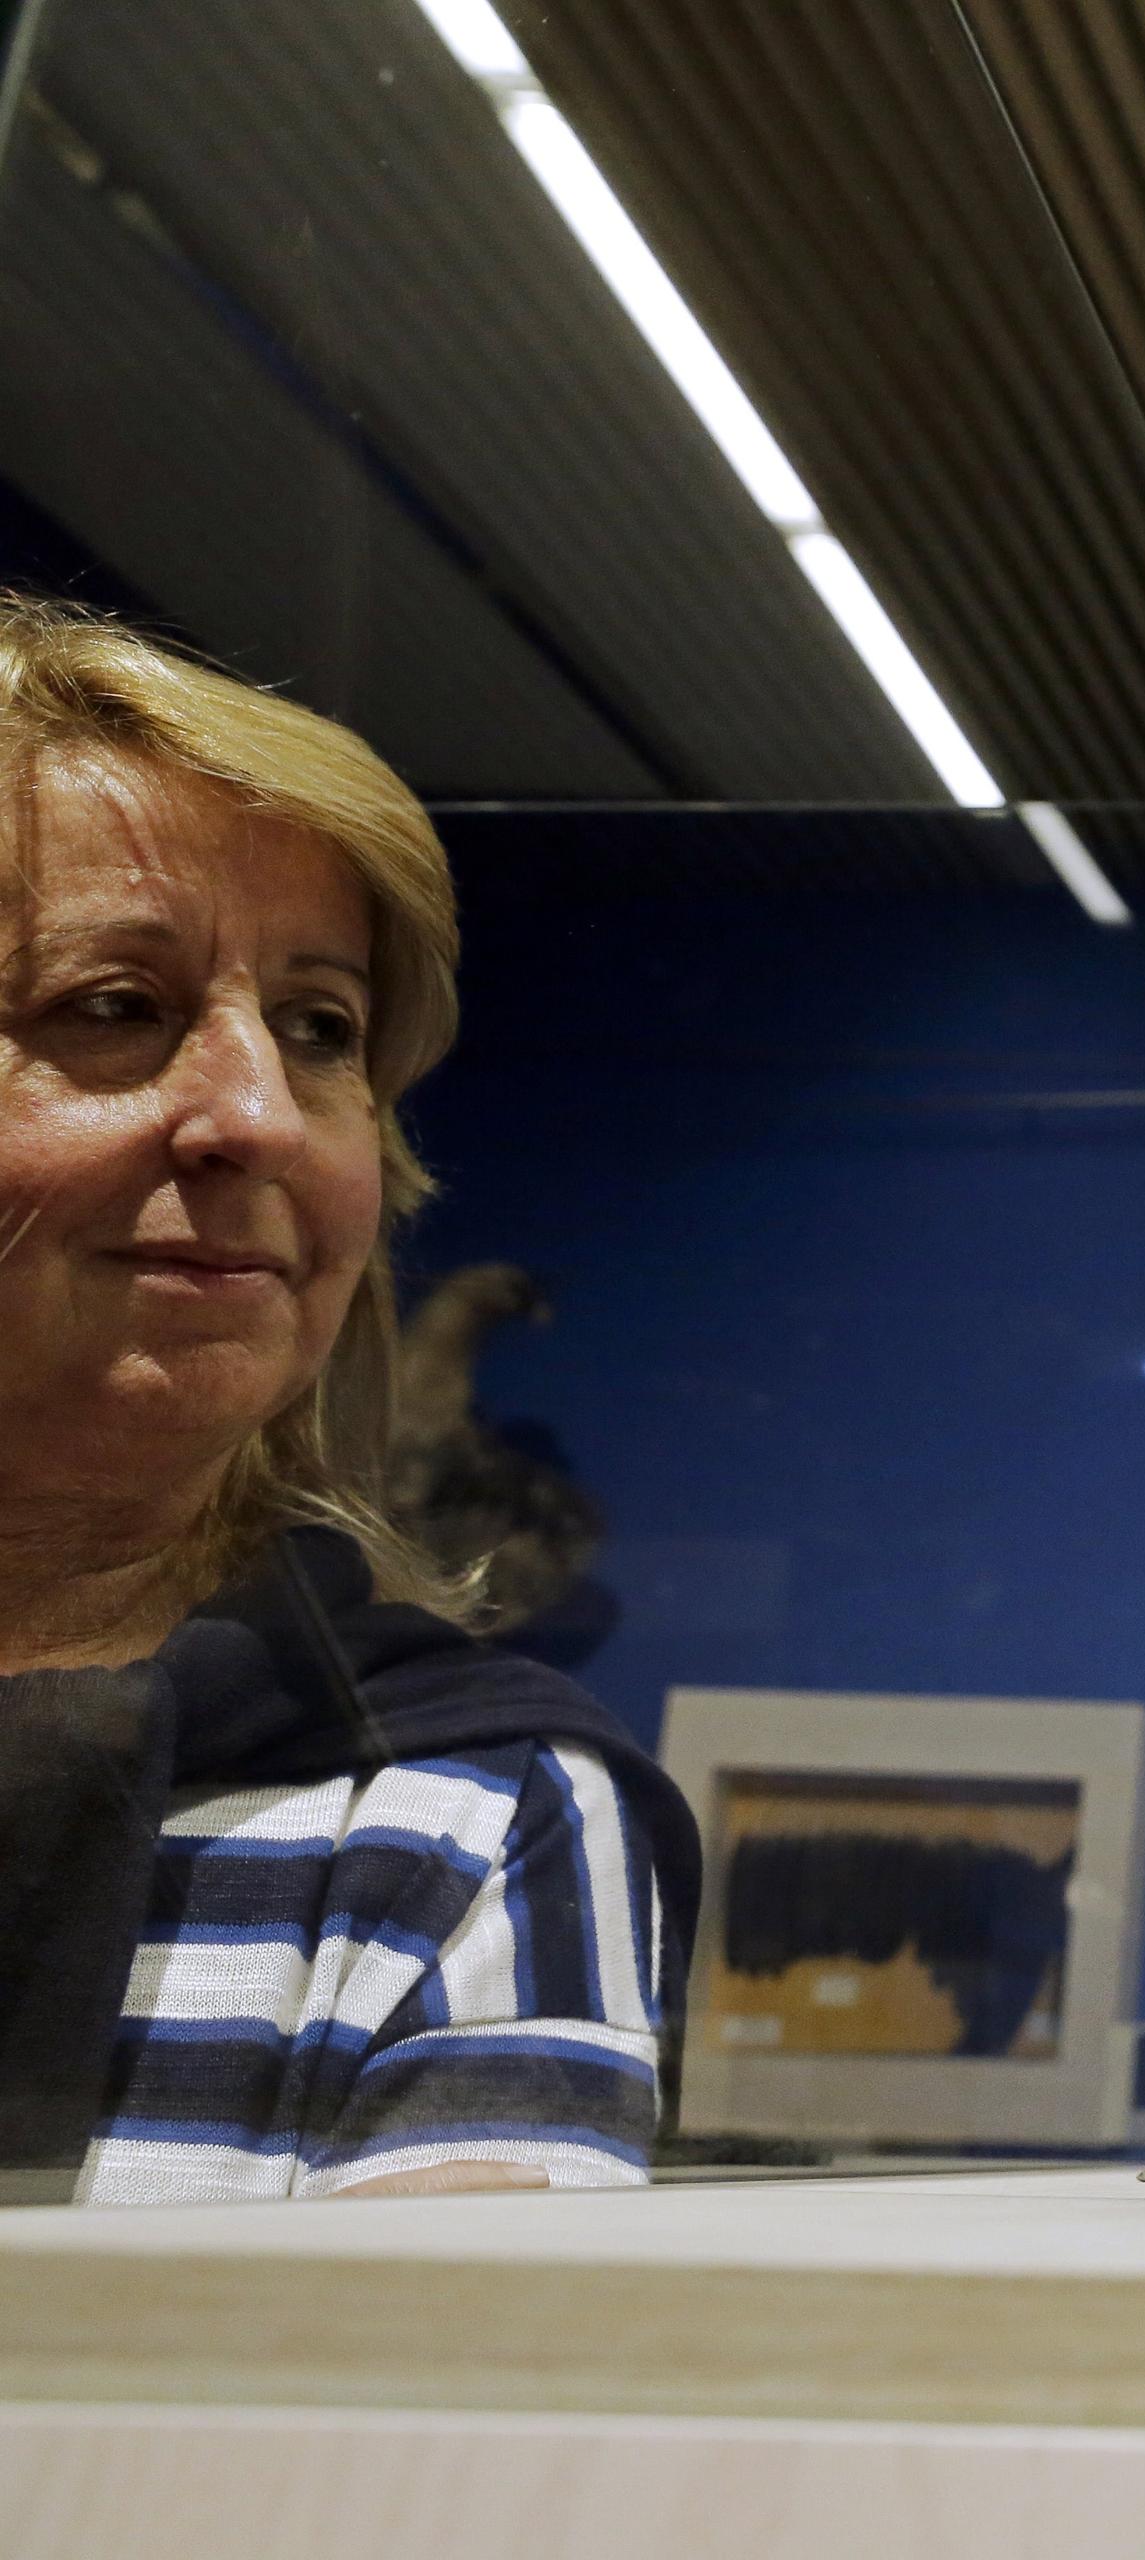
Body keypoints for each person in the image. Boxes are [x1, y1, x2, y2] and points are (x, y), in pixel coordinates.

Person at [0, 596, 695, 2203]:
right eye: (113, 1006)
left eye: (323, 1029)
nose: (256, 1112)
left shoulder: (466, 1820)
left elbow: (422, 2452)